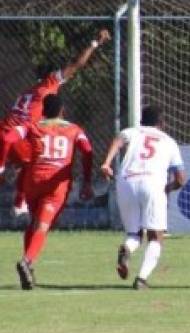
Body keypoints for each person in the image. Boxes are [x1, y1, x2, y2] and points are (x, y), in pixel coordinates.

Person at [0, 29, 109, 216]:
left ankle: (19, 200)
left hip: (6, 132)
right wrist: (95, 44)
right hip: (17, 138)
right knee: (39, 161)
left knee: (28, 163)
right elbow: (77, 64)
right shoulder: (49, 84)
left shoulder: (27, 91)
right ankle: (20, 203)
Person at [2, 95, 93, 289]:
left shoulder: (32, 125)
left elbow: (6, 137)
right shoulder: (74, 129)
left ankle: (29, 267)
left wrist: (1, 166)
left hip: (32, 181)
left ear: (43, 110)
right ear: (62, 111)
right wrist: (86, 180)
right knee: (42, 225)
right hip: (55, 184)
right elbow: (87, 150)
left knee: (34, 222)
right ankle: (26, 261)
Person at [100, 106, 186, 290]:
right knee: (156, 236)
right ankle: (142, 279)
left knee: (134, 233)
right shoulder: (169, 142)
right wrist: (168, 188)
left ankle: (127, 248)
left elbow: (118, 140)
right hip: (153, 183)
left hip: (126, 182)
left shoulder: (131, 131)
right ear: (161, 124)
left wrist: (107, 163)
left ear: (141, 122)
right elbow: (181, 179)